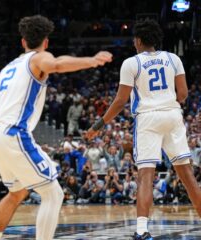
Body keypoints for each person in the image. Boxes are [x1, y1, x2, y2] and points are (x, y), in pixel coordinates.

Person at [0, 15, 112, 240]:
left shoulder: (8, 68)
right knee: (53, 193)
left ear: (23, 41)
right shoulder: (39, 57)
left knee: (16, 192)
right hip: (12, 132)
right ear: (46, 42)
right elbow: (56, 65)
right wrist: (92, 60)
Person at [86, 20, 201, 240]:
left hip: (148, 117)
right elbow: (184, 94)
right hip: (172, 114)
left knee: (145, 175)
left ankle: (141, 230)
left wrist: (98, 126)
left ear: (138, 41)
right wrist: (167, 103)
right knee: (187, 175)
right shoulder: (173, 58)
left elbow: (120, 102)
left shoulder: (131, 63)